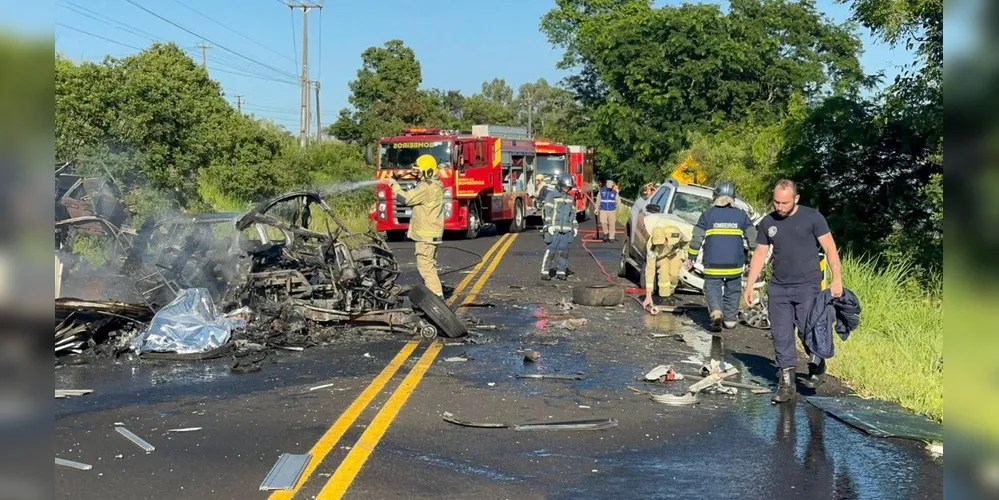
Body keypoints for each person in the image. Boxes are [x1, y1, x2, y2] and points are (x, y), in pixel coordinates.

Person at [744, 179, 844, 404]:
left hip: (807, 286)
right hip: (779, 288)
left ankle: (817, 363)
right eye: (776, 202)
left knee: (807, 331)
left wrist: (837, 280)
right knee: (781, 335)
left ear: (796, 199)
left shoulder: (812, 218)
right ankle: (786, 384)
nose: (779, 206)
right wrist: (750, 284)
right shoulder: (768, 222)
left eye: (784, 203)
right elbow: (760, 254)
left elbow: (829, 248)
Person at [686, 181, 757, 332]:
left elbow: (697, 238)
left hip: (713, 263)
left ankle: (717, 312)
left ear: (716, 196)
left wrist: (691, 257)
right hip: (735, 264)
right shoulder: (741, 215)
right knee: (733, 290)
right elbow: (753, 238)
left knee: (712, 288)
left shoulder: (707, 215)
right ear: (733, 198)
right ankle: (730, 320)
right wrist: (754, 255)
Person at [380, 154, 445, 299]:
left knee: (426, 268)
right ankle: (431, 295)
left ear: (427, 171)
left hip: (426, 235)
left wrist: (393, 184)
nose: (417, 173)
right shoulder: (434, 184)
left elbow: (406, 199)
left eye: (419, 171)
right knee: (429, 266)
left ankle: (437, 300)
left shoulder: (426, 187)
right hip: (431, 233)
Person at [641, 215, 689, 310]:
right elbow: (650, 272)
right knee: (663, 274)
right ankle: (664, 297)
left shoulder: (674, 233)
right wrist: (648, 295)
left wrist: (687, 258)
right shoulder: (651, 248)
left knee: (674, 275)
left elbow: (686, 242)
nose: (660, 245)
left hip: (674, 253)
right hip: (661, 258)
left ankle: (671, 291)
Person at [541, 174, 579, 280]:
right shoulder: (551, 196)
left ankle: (561, 272)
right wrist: (548, 226)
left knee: (564, 252)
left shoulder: (570, 199)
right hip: (554, 229)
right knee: (551, 251)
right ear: (560, 185)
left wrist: (575, 226)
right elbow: (547, 212)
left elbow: (572, 214)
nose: (567, 189)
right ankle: (545, 272)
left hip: (566, 230)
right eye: (566, 187)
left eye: (569, 188)